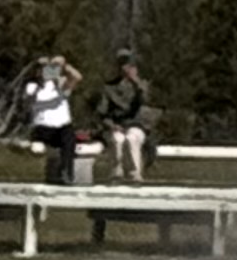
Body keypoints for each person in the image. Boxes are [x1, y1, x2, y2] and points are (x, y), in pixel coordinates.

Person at [17, 52, 81, 186]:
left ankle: (67, 174)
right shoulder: (32, 87)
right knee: (38, 145)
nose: (45, 71)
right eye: (42, 68)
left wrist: (64, 66)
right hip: (43, 128)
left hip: (62, 128)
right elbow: (28, 100)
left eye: (48, 68)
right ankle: (28, 145)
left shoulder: (60, 85)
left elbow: (77, 77)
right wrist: (40, 82)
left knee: (69, 138)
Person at [95, 49, 152, 183]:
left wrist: (136, 82)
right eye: (122, 65)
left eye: (129, 65)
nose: (125, 69)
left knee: (132, 138)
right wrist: (112, 125)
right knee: (118, 139)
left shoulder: (141, 87)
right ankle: (116, 173)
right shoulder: (109, 88)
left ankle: (135, 174)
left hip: (136, 124)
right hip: (116, 125)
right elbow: (101, 113)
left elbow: (146, 100)